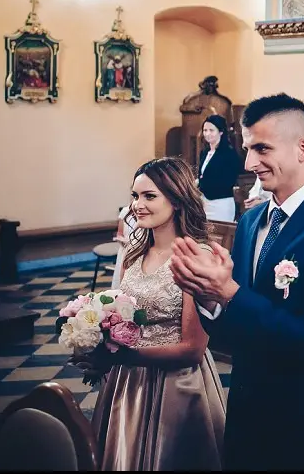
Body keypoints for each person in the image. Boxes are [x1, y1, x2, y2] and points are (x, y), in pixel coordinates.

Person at [169, 94, 304, 471]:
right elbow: (235, 332)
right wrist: (209, 299)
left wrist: (230, 293)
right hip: (247, 410)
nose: (249, 163)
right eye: (248, 149)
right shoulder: (250, 222)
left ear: (303, 148)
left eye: (262, 148)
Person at [93, 157, 226, 471]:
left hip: (176, 386)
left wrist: (122, 356)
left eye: (149, 196)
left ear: (177, 200)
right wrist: (99, 339)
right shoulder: (134, 253)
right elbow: (119, 314)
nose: (137, 205)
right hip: (128, 383)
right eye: (135, 196)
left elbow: (193, 350)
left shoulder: (197, 257)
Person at [198, 114, 242, 222]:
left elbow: (228, 181)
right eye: (205, 130)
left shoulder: (229, 153)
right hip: (205, 202)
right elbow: (202, 175)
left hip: (221, 203)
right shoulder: (205, 152)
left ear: (221, 132)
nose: (207, 134)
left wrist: (203, 185)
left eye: (211, 130)